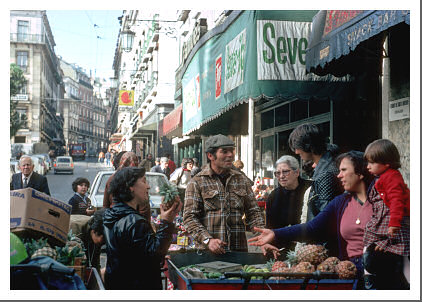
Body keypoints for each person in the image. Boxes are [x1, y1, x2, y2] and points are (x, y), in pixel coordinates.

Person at [248, 151, 376, 289]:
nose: (339, 175)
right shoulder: (341, 202)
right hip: (350, 273)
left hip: (379, 273)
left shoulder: (381, 201)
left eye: (344, 170)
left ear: (360, 172)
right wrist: (276, 233)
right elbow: (312, 227)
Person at [183, 134, 265, 254]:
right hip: (208, 254)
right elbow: (189, 218)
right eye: (224, 151)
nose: (230, 155)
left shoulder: (241, 179)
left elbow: (253, 212)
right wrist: (208, 240)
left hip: (238, 251)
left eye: (232, 151)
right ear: (210, 155)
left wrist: (262, 237)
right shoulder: (197, 182)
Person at [103, 167, 181, 289]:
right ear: (131, 188)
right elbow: (155, 255)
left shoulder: (112, 215)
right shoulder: (134, 221)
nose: (148, 186)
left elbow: (136, 253)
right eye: (144, 181)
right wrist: (166, 221)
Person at [362, 139, 410, 289]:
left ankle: (410, 285)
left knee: (401, 257)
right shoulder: (381, 177)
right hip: (386, 221)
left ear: (386, 163)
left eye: (372, 162)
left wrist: (394, 224)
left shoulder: (392, 177)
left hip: (395, 222)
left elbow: (397, 201)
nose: (368, 166)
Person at [288, 123, 343, 221]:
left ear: (308, 146)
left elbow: (325, 217)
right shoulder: (329, 163)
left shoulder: (326, 174)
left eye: (297, 147)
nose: (296, 152)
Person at [265, 156, 312, 232]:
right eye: (278, 173)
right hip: (281, 241)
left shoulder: (311, 189)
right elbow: (270, 228)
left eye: (285, 172)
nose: (281, 176)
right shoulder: (273, 196)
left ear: (296, 173)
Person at [69, 209, 105, 274]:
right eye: (103, 240)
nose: (104, 244)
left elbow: (95, 261)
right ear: (94, 231)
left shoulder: (98, 230)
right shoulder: (75, 231)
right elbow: (73, 264)